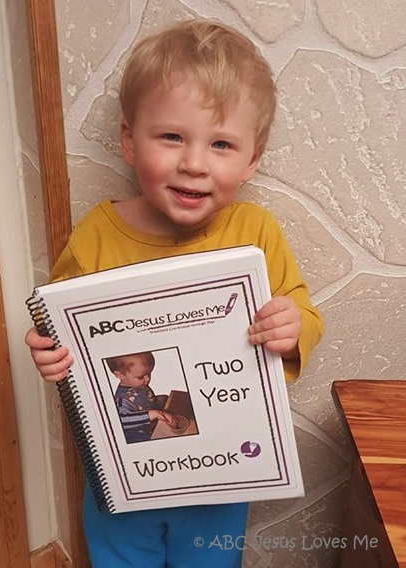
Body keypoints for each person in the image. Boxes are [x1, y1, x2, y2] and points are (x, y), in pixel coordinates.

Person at [25, 19, 323, 568]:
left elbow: (303, 311)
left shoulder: (256, 232)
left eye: (221, 144)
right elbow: (63, 332)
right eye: (171, 137)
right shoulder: (95, 235)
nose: (194, 162)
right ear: (129, 140)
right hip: (124, 477)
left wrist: (292, 325)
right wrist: (51, 351)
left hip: (222, 474)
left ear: (252, 159)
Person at [106, 351, 175, 443]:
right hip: (142, 438)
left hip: (155, 426)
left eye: (149, 373)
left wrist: (161, 400)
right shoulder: (122, 400)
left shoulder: (140, 385)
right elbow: (121, 421)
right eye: (141, 377)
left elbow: (146, 401)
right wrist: (153, 414)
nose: (148, 379)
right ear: (120, 375)